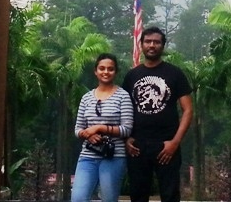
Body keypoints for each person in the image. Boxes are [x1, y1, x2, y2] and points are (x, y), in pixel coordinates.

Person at [122, 27, 193, 202]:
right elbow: (123, 110)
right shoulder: (132, 76)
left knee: (170, 195)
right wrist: (126, 139)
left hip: (167, 145)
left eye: (156, 42)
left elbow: (188, 110)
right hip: (137, 146)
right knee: (138, 196)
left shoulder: (175, 74)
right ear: (141, 44)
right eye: (148, 41)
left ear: (163, 45)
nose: (152, 45)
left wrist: (175, 142)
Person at [72, 53, 134, 202]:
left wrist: (100, 128)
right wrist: (88, 135)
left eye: (110, 69)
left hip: (113, 156)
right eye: (102, 68)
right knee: (78, 198)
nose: (106, 72)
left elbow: (127, 129)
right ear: (95, 71)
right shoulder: (86, 98)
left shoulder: (123, 96)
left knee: (108, 199)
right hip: (88, 155)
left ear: (116, 72)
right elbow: (78, 129)